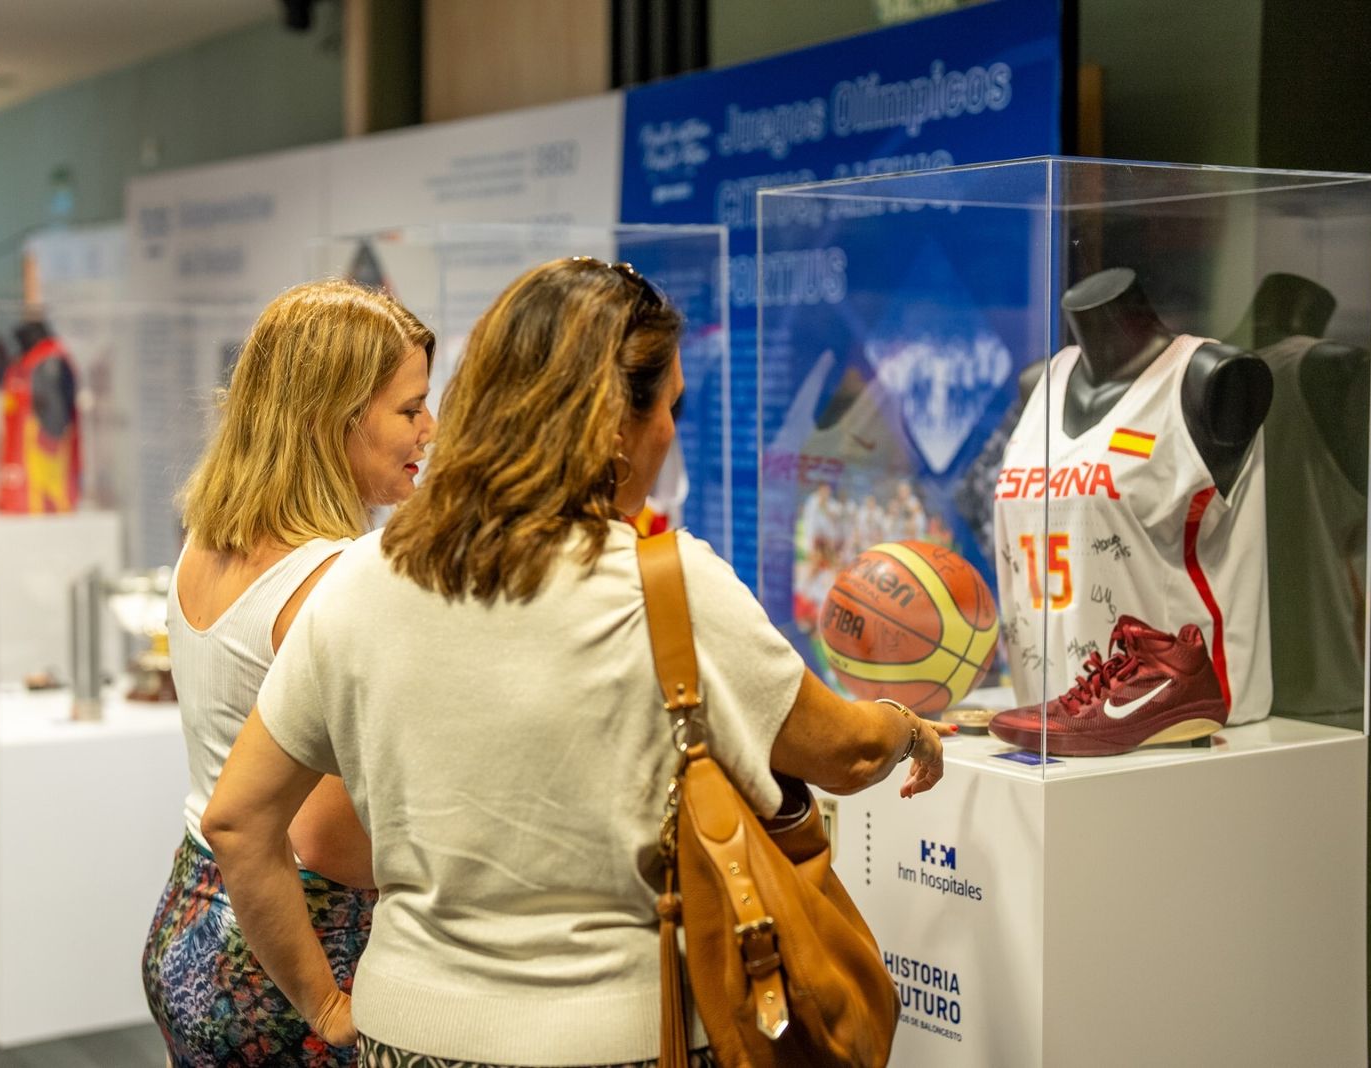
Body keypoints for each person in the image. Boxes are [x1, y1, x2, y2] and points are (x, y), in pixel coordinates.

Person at [203, 258, 950, 1067]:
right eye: (669, 406)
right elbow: (846, 751)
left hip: (408, 1035)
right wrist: (908, 728)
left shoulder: (360, 580)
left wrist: (323, 1003)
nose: (670, 432)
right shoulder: (668, 585)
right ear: (616, 427)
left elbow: (238, 822)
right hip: (626, 1038)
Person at [140, 279, 436, 1067]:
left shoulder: (205, 541)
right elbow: (331, 841)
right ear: (336, 419)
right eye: (410, 410)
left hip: (194, 916)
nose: (430, 432)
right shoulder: (342, 578)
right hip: (300, 957)